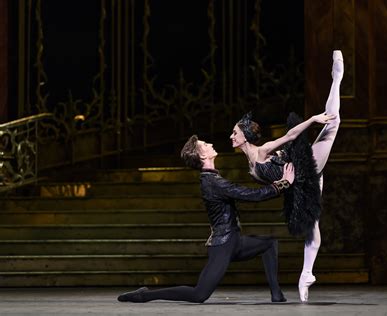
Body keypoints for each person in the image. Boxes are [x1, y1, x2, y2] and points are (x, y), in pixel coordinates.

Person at [117, 134, 295, 304]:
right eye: (205, 145)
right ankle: (145, 295)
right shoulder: (212, 182)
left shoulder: (213, 178)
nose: (210, 145)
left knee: (269, 243)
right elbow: (250, 195)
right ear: (202, 155)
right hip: (223, 245)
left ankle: (277, 295)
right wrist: (283, 183)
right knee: (198, 295)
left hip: (234, 241)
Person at [229, 50, 344, 302]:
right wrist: (284, 183)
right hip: (298, 185)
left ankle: (337, 78)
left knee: (331, 126)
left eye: (235, 133)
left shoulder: (261, 151)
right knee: (311, 226)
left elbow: (290, 137)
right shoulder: (251, 164)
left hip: (303, 165)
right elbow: (271, 188)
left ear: (245, 137)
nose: (231, 137)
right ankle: (306, 275)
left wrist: (313, 119)